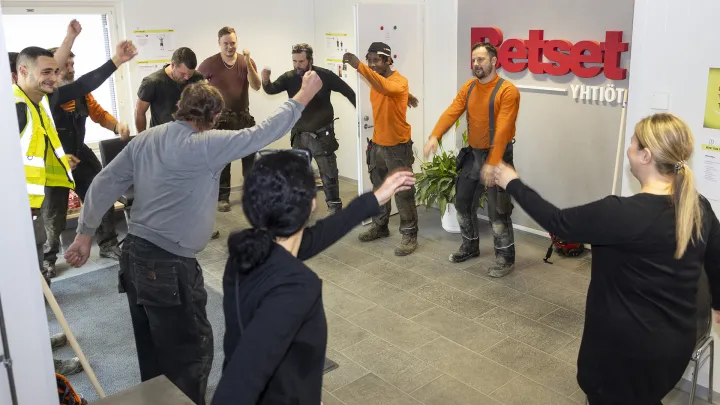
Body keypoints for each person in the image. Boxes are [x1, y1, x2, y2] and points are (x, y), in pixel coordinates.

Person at [64, 73, 323, 405]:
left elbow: (104, 182)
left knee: (153, 350)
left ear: (179, 106)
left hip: (134, 257)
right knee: (189, 354)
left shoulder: (147, 138)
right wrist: (303, 95)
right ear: (214, 116)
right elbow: (262, 133)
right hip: (167, 266)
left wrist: (84, 234)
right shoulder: (206, 145)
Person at [493, 113, 720, 405]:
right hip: (673, 348)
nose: (628, 150)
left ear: (646, 156)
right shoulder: (698, 205)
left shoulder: (621, 213)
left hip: (623, 354)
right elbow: (717, 257)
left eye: (633, 144)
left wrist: (512, 183)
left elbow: (558, 222)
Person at [211, 151, 414, 405]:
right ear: (311, 204)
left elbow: (319, 235)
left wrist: (375, 197)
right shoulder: (293, 287)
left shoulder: (247, 251)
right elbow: (239, 383)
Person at [14, 32, 137, 375]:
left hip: (34, 201)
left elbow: (81, 83)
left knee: (29, 289)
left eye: (58, 71)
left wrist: (115, 60)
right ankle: (37, 363)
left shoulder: (39, 101)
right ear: (22, 72)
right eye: (48, 71)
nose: (55, 77)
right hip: (19, 214)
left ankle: (38, 340)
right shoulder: (17, 108)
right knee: (23, 289)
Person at [424, 42, 520, 277]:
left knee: (498, 211)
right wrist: (435, 135)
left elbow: (503, 130)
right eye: (474, 59)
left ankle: (505, 258)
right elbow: (452, 111)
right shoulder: (469, 87)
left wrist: (492, 162)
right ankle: (469, 246)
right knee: (462, 202)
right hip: (474, 154)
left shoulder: (508, 91)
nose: (476, 64)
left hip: (499, 156)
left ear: (494, 61)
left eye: (481, 59)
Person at [40, 47, 131, 278]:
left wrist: (117, 126)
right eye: (66, 65)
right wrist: (58, 159)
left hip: (80, 153)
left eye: (73, 65)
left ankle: (108, 243)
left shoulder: (82, 95)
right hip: (54, 161)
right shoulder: (43, 99)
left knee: (102, 193)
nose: (71, 69)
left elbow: (99, 114)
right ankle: (48, 259)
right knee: (53, 212)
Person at [343, 42, 419, 256]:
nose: (372, 64)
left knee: (403, 192)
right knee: (379, 189)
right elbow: (383, 87)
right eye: (369, 60)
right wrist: (407, 97)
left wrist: (359, 65)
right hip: (377, 145)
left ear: (388, 60)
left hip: (398, 147)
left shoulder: (400, 81)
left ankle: (409, 235)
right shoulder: (378, 80)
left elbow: (388, 87)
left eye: (376, 60)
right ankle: (380, 226)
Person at [261, 43, 356, 214]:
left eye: (301, 61)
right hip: (299, 134)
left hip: (322, 135)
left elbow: (348, 92)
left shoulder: (324, 76)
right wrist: (265, 81)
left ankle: (334, 209)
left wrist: (361, 114)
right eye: (294, 61)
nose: (297, 65)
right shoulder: (289, 77)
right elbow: (271, 89)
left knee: (328, 174)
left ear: (310, 60)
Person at [197, 26, 261, 213]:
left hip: (243, 117)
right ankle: (222, 198)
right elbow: (196, 88)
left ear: (237, 42)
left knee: (249, 158)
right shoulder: (210, 63)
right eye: (226, 43)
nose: (230, 47)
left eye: (233, 43)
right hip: (221, 120)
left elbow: (257, 86)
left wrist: (248, 63)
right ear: (219, 43)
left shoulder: (245, 61)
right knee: (223, 161)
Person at [134, 47, 205, 132]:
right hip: (161, 136)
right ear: (173, 65)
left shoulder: (197, 78)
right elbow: (139, 112)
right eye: (182, 74)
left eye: (190, 74)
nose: (186, 78)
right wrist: (142, 137)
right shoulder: (152, 83)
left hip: (189, 135)